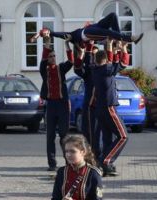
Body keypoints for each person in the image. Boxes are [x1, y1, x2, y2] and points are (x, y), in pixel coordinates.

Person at [92, 38, 129, 176]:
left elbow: (114, 63)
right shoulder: (106, 69)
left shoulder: (96, 69)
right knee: (123, 136)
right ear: (106, 60)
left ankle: (108, 168)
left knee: (108, 138)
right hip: (109, 107)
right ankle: (105, 161)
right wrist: (123, 48)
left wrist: (113, 48)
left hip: (100, 108)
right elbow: (123, 63)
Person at [40, 33, 73, 171]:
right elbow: (42, 59)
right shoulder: (44, 70)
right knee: (50, 136)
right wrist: (47, 42)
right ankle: (52, 164)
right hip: (51, 105)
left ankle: (68, 162)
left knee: (64, 136)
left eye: (54, 56)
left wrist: (67, 45)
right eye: (51, 56)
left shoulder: (61, 68)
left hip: (62, 105)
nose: (53, 58)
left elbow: (71, 61)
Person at [31, 13, 143, 47]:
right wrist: (39, 35)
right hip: (88, 34)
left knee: (113, 16)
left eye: (67, 37)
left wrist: (37, 33)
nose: (67, 36)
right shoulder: (75, 38)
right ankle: (130, 38)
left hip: (94, 27)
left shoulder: (71, 34)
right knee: (108, 33)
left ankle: (119, 39)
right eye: (67, 38)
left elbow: (48, 30)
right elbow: (54, 33)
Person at [73, 40, 102, 162]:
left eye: (96, 56)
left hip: (102, 106)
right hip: (90, 106)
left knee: (103, 135)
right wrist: (81, 54)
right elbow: (78, 69)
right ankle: (90, 160)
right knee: (90, 134)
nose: (93, 59)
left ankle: (102, 161)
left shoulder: (103, 70)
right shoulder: (87, 72)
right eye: (92, 56)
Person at [52, 135, 103, 200]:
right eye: (66, 151)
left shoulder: (93, 173)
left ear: (83, 152)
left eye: (73, 151)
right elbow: (55, 197)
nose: (68, 155)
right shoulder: (62, 171)